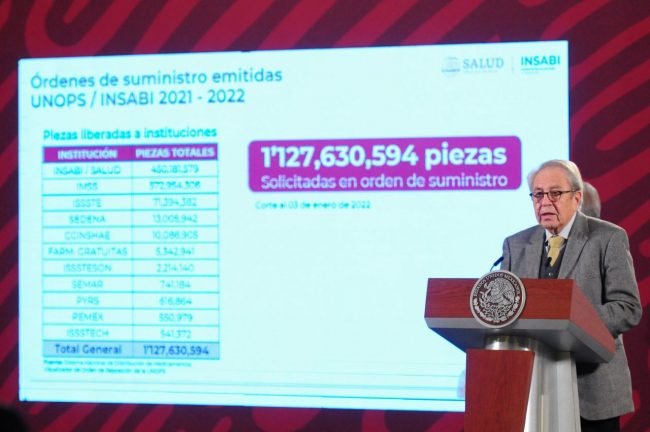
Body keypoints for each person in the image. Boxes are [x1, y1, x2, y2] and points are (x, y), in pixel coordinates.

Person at [500, 160, 642, 432]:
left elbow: (627, 308)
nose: (545, 202)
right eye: (538, 194)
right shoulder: (515, 245)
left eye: (555, 193)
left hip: (592, 390)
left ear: (576, 198)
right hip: (532, 389)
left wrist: (572, 319)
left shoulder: (608, 238)